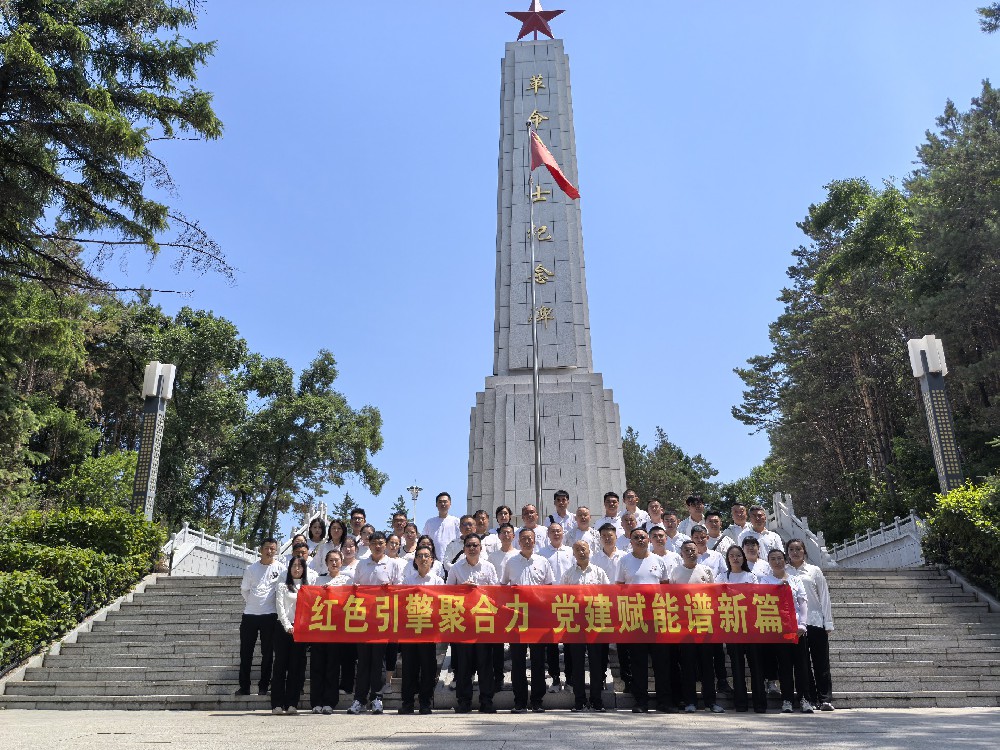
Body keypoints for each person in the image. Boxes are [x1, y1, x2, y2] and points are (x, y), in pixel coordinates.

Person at [347, 532, 404, 715]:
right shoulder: (361, 564)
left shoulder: (393, 564)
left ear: (386, 545)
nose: (378, 546)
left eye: (381, 543)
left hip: (382, 621)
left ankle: (376, 698)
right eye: (374, 543)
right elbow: (354, 588)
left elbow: (400, 589)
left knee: (378, 661)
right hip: (364, 620)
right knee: (363, 661)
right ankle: (359, 699)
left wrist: (391, 590)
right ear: (369, 544)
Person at [616, 528, 671, 713]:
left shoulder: (658, 560)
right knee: (638, 663)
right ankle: (641, 702)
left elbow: (665, 588)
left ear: (648, 539)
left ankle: (664, 702)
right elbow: (620, 589)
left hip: (657, 619)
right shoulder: (624, 561)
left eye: (642, 537)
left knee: (661, 662)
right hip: (635, 619)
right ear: (630, 541)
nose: (640, 540)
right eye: (636, 537)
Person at [501, 528, 555, 712]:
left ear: (535, 541)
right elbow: (503, 587)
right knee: (518, 661)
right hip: (517, 617)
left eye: (530, 538)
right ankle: (520, 701)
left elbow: (549, 589)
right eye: (523, 538)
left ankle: (537, 700)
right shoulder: (510, 562)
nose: (527, 541)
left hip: (537, 618)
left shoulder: (543, 561)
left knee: (538, 661)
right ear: (518, 541)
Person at [669, 540, 724, 714]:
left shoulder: (706, 571)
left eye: (693, 550)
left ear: (698, 552)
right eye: (687, 550)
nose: (690, 553)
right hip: (685, 627)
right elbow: (670, 597)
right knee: (687, 665)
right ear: (681, 553)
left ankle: (711, 702)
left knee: (707, 665)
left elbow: (713, 596)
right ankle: (690, 701)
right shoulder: (676, 572)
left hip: (704, 624)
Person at [447, 534, 499, 713]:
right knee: (463, 666)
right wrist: (462, 590)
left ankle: (486, 701)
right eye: (468, 545)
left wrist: (479, 590)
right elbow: (447, 594)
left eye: (475, 545)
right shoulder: (456, 568)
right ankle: (463, 701)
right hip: (462, 623)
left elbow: (495, 594)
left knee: (485, 665)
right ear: (463, 548)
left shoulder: (489, 567)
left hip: (483, 623)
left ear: (481, 548)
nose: (472, 548)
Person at [759, 547, 812, 713]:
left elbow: (803, 603)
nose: (777, 561)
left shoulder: (795, 579)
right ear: (769, 562)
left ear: (785, 560)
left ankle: (805, 699)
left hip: (796, 629)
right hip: (778, 629)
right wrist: (776, 590)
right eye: (773, 559)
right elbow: (762, 602)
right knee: (784, 665)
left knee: (801, 665)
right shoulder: (765, 581)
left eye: (780, 558)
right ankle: (787, 699)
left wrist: (802, 624)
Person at [786, 538, 836, 711]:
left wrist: (827, 622)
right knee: (803, 664)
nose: (795, 552)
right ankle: (810, 698)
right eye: (791, 549)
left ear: (804, 551)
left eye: (798, 549)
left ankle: (825, 698)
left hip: (815, 621)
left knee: (821, 662)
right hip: (796, 625)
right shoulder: (785, 572)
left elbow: (824, 596)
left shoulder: (814, 571)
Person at [561, 540, 610, 711]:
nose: (581, 552)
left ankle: (597, 700)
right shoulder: (568, 575)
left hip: (595, 623)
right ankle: (579, 700)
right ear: (573, 553)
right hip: (575, 624)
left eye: (584, 549)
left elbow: (608, 596)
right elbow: (562, 598)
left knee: (597, 663)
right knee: (577, 663)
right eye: (577, 550)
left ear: (590, 551)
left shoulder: (599, 572)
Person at [399, 547, 444, 714]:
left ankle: (425, 702)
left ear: (432, 559)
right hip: (410, 628)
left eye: (427, 556)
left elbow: (442, 605)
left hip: (429, 629)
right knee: (409, 667)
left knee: (428, 667)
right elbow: (402, 604)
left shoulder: (438, 581)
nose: (423, 559)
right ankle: (407, 703)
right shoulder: (408, 580)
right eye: (420, 556)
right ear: (415, 560)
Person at [236, 538, 283, 697]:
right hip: (250, 615)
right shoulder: (251, 569)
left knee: (268, 653)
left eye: (273, 549)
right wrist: (253, 603)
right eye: (267, 548)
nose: (269, 551)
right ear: (261, 549)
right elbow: (245, 590)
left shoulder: (280, 568)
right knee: (245, 653)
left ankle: (264, 686)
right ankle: (244, 687)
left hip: (270, 615)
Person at [722, 545, 765, 713]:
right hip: (732, 627)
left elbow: (756, 598)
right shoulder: (722, 576)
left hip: (751, 626)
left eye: (738, 555)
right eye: (732, 555)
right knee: (737, 666)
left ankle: (759, 703)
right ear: (728, 558)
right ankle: (740, 703)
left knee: (756, 666)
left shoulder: (751, 576)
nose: (735, 558)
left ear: (743, 558)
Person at [272, 555, 317, 714]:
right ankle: (277, 703)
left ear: (304, 569)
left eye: (300, 566)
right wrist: (287, 625)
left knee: (296, 667)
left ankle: (292, 703)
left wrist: (300, 625)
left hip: (300, 631)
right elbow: (280, 607)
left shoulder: (308, 587)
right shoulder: (283, 586)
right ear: (289, 569)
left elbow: (310, 609)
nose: (297, 569)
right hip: (283, 629)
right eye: (294, 566)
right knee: (280, 666)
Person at [311, 550, 352, 713]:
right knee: (317, 666)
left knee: (333, 666)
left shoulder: (347, 579)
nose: (334, 563)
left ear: (342, 562)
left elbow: (351, 600)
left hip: (337, 629)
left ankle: (330, 702)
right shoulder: (318, 579)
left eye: (337, 560)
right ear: (326, 563)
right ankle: (316, 702)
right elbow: (311, 599)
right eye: (331, 560)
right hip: (319, 627)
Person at [542, 522, 574, 692]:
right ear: (548, 534)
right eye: (553, 531)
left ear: (563, 533)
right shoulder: (541, 553)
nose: (556, 534)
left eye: (559, 531)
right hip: (549, 603)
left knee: (569, 642)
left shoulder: (571, 552)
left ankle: (570, 678)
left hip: (569, 603)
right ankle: (554, 678)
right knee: (551, 643)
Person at [422, 492, 461, 562]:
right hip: (433, 561)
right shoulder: (430, 522)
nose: (443, 504)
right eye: (440, 502)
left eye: (445, 502)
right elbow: (424, 541)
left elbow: (460, 540)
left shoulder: (456, 521)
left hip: (452, 561)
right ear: (436, 504)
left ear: (450, 504)